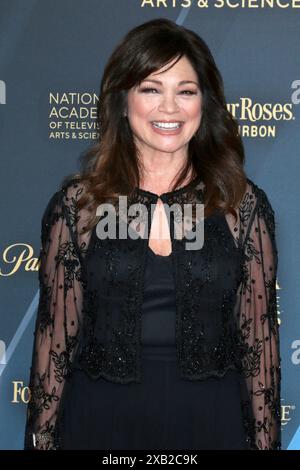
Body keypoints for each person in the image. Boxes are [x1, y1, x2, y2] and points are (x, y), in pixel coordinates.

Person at [24, 18, 281, 450]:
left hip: (213, 425)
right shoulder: (79, 207)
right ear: (123, 102)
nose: (170, 108)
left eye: (185, 90)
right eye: (150, 89)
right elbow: (53, 347)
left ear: (205, 103)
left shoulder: (243, 205)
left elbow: (260, 346)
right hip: (99, 426)